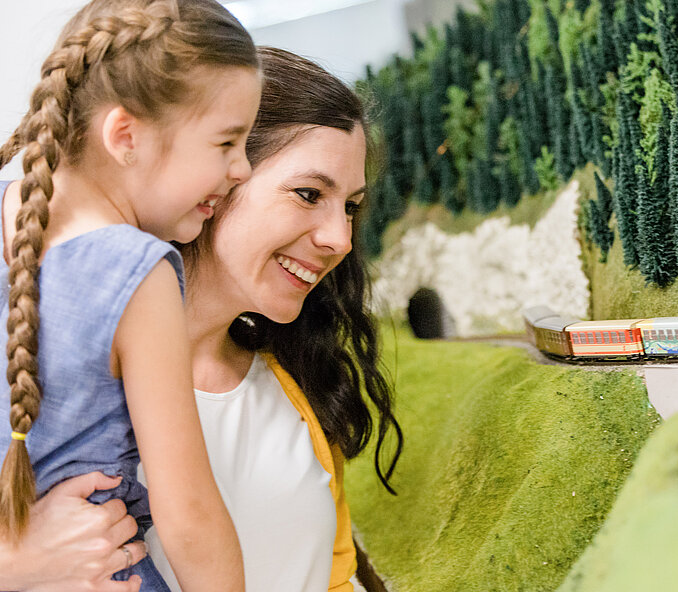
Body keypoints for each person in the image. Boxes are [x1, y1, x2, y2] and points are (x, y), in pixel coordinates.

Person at [0, 46, 403, 592]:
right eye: (309, 194)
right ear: (214, 178)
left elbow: (335, 576)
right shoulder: (44, 377)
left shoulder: (298, 383)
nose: (340, 238)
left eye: (351, 206)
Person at [0, 0, 262, 590]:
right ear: (125, 136)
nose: (242, 169)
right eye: (227, 143)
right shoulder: (134, 272)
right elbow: (190, 517)